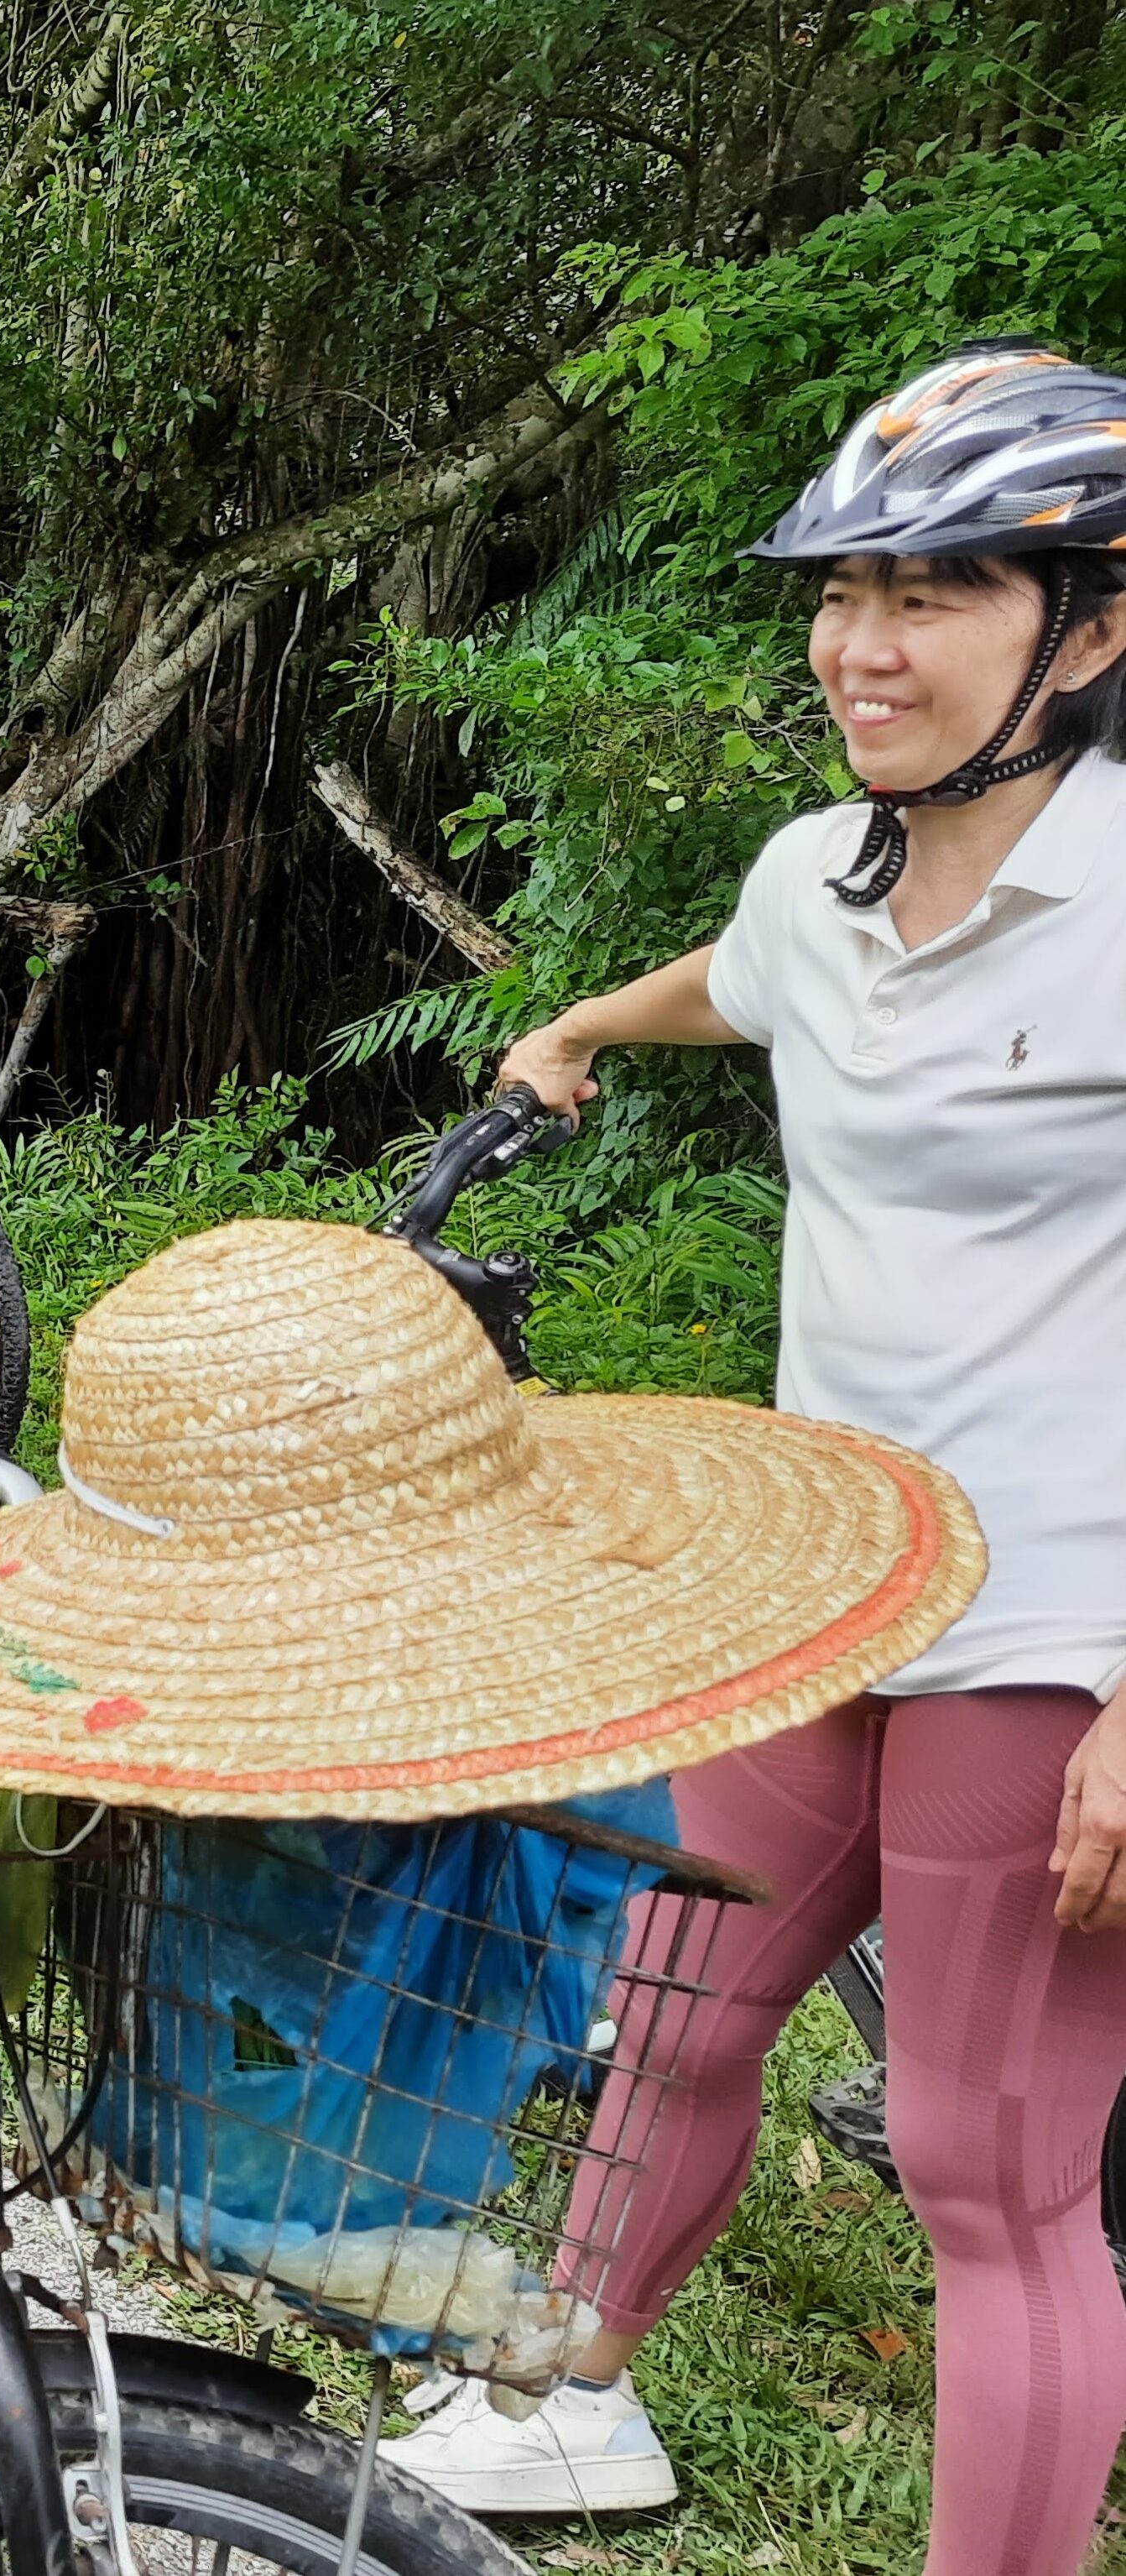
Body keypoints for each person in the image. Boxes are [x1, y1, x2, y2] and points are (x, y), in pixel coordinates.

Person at [381, 343, 1126, 2575]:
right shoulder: (825, 867)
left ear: (1084, 626)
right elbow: (753, 964)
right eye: (838, 589)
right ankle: (565, 2397)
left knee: (978, 2160)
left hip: (1053, 1626)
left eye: (929, 593)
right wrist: (584, 1022)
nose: (856, 643)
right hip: (825, 1579)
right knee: (672, 2005)